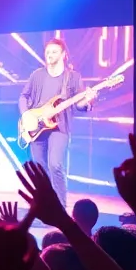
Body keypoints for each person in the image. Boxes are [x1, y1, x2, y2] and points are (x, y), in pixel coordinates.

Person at [18, 39, 97, 205]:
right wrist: (26, 115)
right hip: (36, 126)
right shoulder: (37, 75)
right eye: (48, 51)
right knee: (39, 169)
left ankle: (60, 209)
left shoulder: (73, 77)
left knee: (55, 164)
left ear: (63, 55)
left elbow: (79, 105)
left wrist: (87, 100)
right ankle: (42, 206)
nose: (49, 55)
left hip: (60, 127)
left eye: (54, 51)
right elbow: (24, 97)